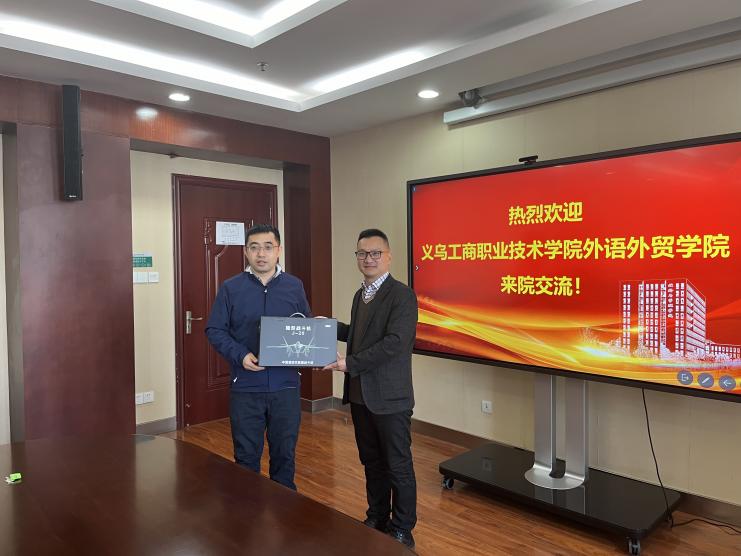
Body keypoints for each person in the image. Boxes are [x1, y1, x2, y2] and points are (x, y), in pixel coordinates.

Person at [323, 228, 418, 549]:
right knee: (372, 462)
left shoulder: (402, 296)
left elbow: (394, 343)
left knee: (398, 464)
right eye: (362, 253)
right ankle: (377, 516)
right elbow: (360, 334)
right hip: (361, 395)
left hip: (390, 397)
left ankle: (402, 528)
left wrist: (350, 363)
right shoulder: (360, 294)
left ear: (388, 256)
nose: (369, 259)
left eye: (375, 253)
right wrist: (328, 328)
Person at [206, 224, 311, 490]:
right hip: (246, 387)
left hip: (286, 387)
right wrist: (240, 355)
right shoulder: (231, 288)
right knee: (246, 459)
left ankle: (284, 510)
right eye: (254, 248)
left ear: (278, 250)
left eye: (267, 247)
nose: (261, 254)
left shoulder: (294, 286)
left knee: (284, 456)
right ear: (246, 252)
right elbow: (215, 330)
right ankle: (246, 511)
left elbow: (305, 326)